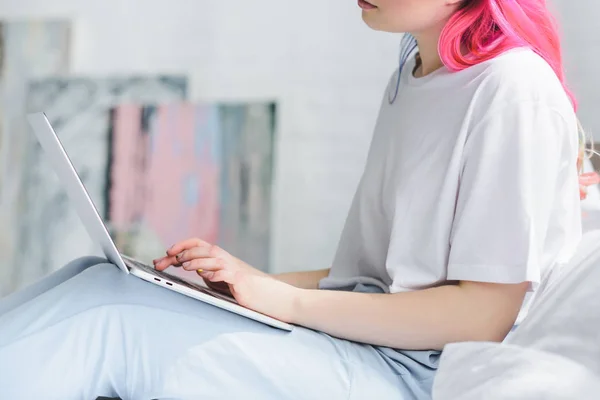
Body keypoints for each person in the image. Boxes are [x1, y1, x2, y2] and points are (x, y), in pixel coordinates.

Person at [0, 0, 585, 398]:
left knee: (106, 321)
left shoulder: (512, 93)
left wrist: (280, 300)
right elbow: (382, 274)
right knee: (100, 280)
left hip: (411, 377)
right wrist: (243, 282)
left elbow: (483, 314)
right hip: (362, 345)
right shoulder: (416, 69)